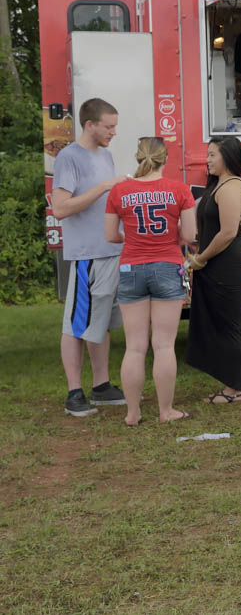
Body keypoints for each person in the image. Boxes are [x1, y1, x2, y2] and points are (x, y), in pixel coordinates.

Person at [104, 137, 196, 424]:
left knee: (134, 347)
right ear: (165, 159)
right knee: (164, 346)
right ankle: (166, 411)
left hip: (131, 268)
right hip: (167, 266)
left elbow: (110, 236)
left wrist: (130, 237)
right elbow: (191, 236)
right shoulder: (179, 190)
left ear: (137, 157)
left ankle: (132, 413)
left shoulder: (119, 191)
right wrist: (176, 233)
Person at [51, 98, 128, 417]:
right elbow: (60, 208)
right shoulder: (69, 157)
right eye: (109, 127)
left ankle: (101, 386)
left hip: (111, 251)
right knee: (76, 324)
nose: (113, 132)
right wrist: (103, 187)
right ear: (90, 125)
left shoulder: (105, 155)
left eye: (115, 126)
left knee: (102, 323)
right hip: (87, 256)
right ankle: (74, 392)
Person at [185, 136, 241, 405]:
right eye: (207, 154)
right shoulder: (221, 185)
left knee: (231, 327)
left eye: (213, 154)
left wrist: (199, 258)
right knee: (225, 326)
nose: (208, 159)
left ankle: (236, 388)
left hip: (228, 267)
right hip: (219, 266)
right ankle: (233, 382)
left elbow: (227, 233)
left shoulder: (229, 187)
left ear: (227, 156)